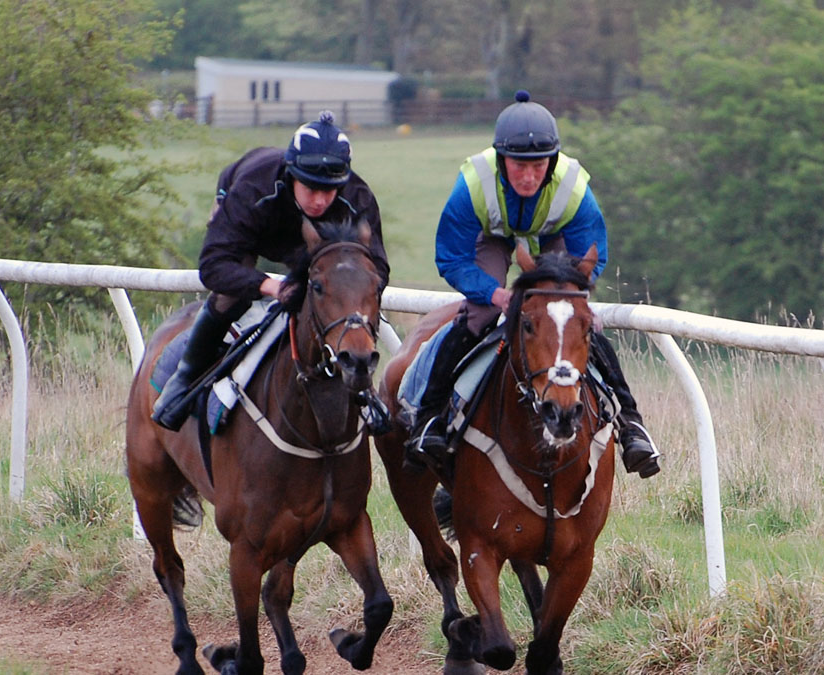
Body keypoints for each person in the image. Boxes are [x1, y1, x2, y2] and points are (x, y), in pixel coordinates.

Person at [406, 90, 660, 478]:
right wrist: (497, 293)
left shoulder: (575, 190)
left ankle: (631, 423)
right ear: (500, 160)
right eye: (517, 166)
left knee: (574, 319)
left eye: (538, 166)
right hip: (490, 236)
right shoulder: (472, 185)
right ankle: (429, 418)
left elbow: (592, 257)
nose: (527, 176)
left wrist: (569, 301)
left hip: (553, 239)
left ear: (553, 161)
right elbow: (451, 257)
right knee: (480, 314)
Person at [152, 111, 390, 431]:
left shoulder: (357, 197)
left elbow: (378, 269)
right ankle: (184, 378)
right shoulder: (253, 187)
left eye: (329, 190)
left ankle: (363, 389)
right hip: (255, 230)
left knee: (340, 301)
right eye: (310, 188)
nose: (319, 200)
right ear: (292, 174)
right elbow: (213, 265)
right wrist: (270, 287)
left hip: (320, 248)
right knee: (230, 298)